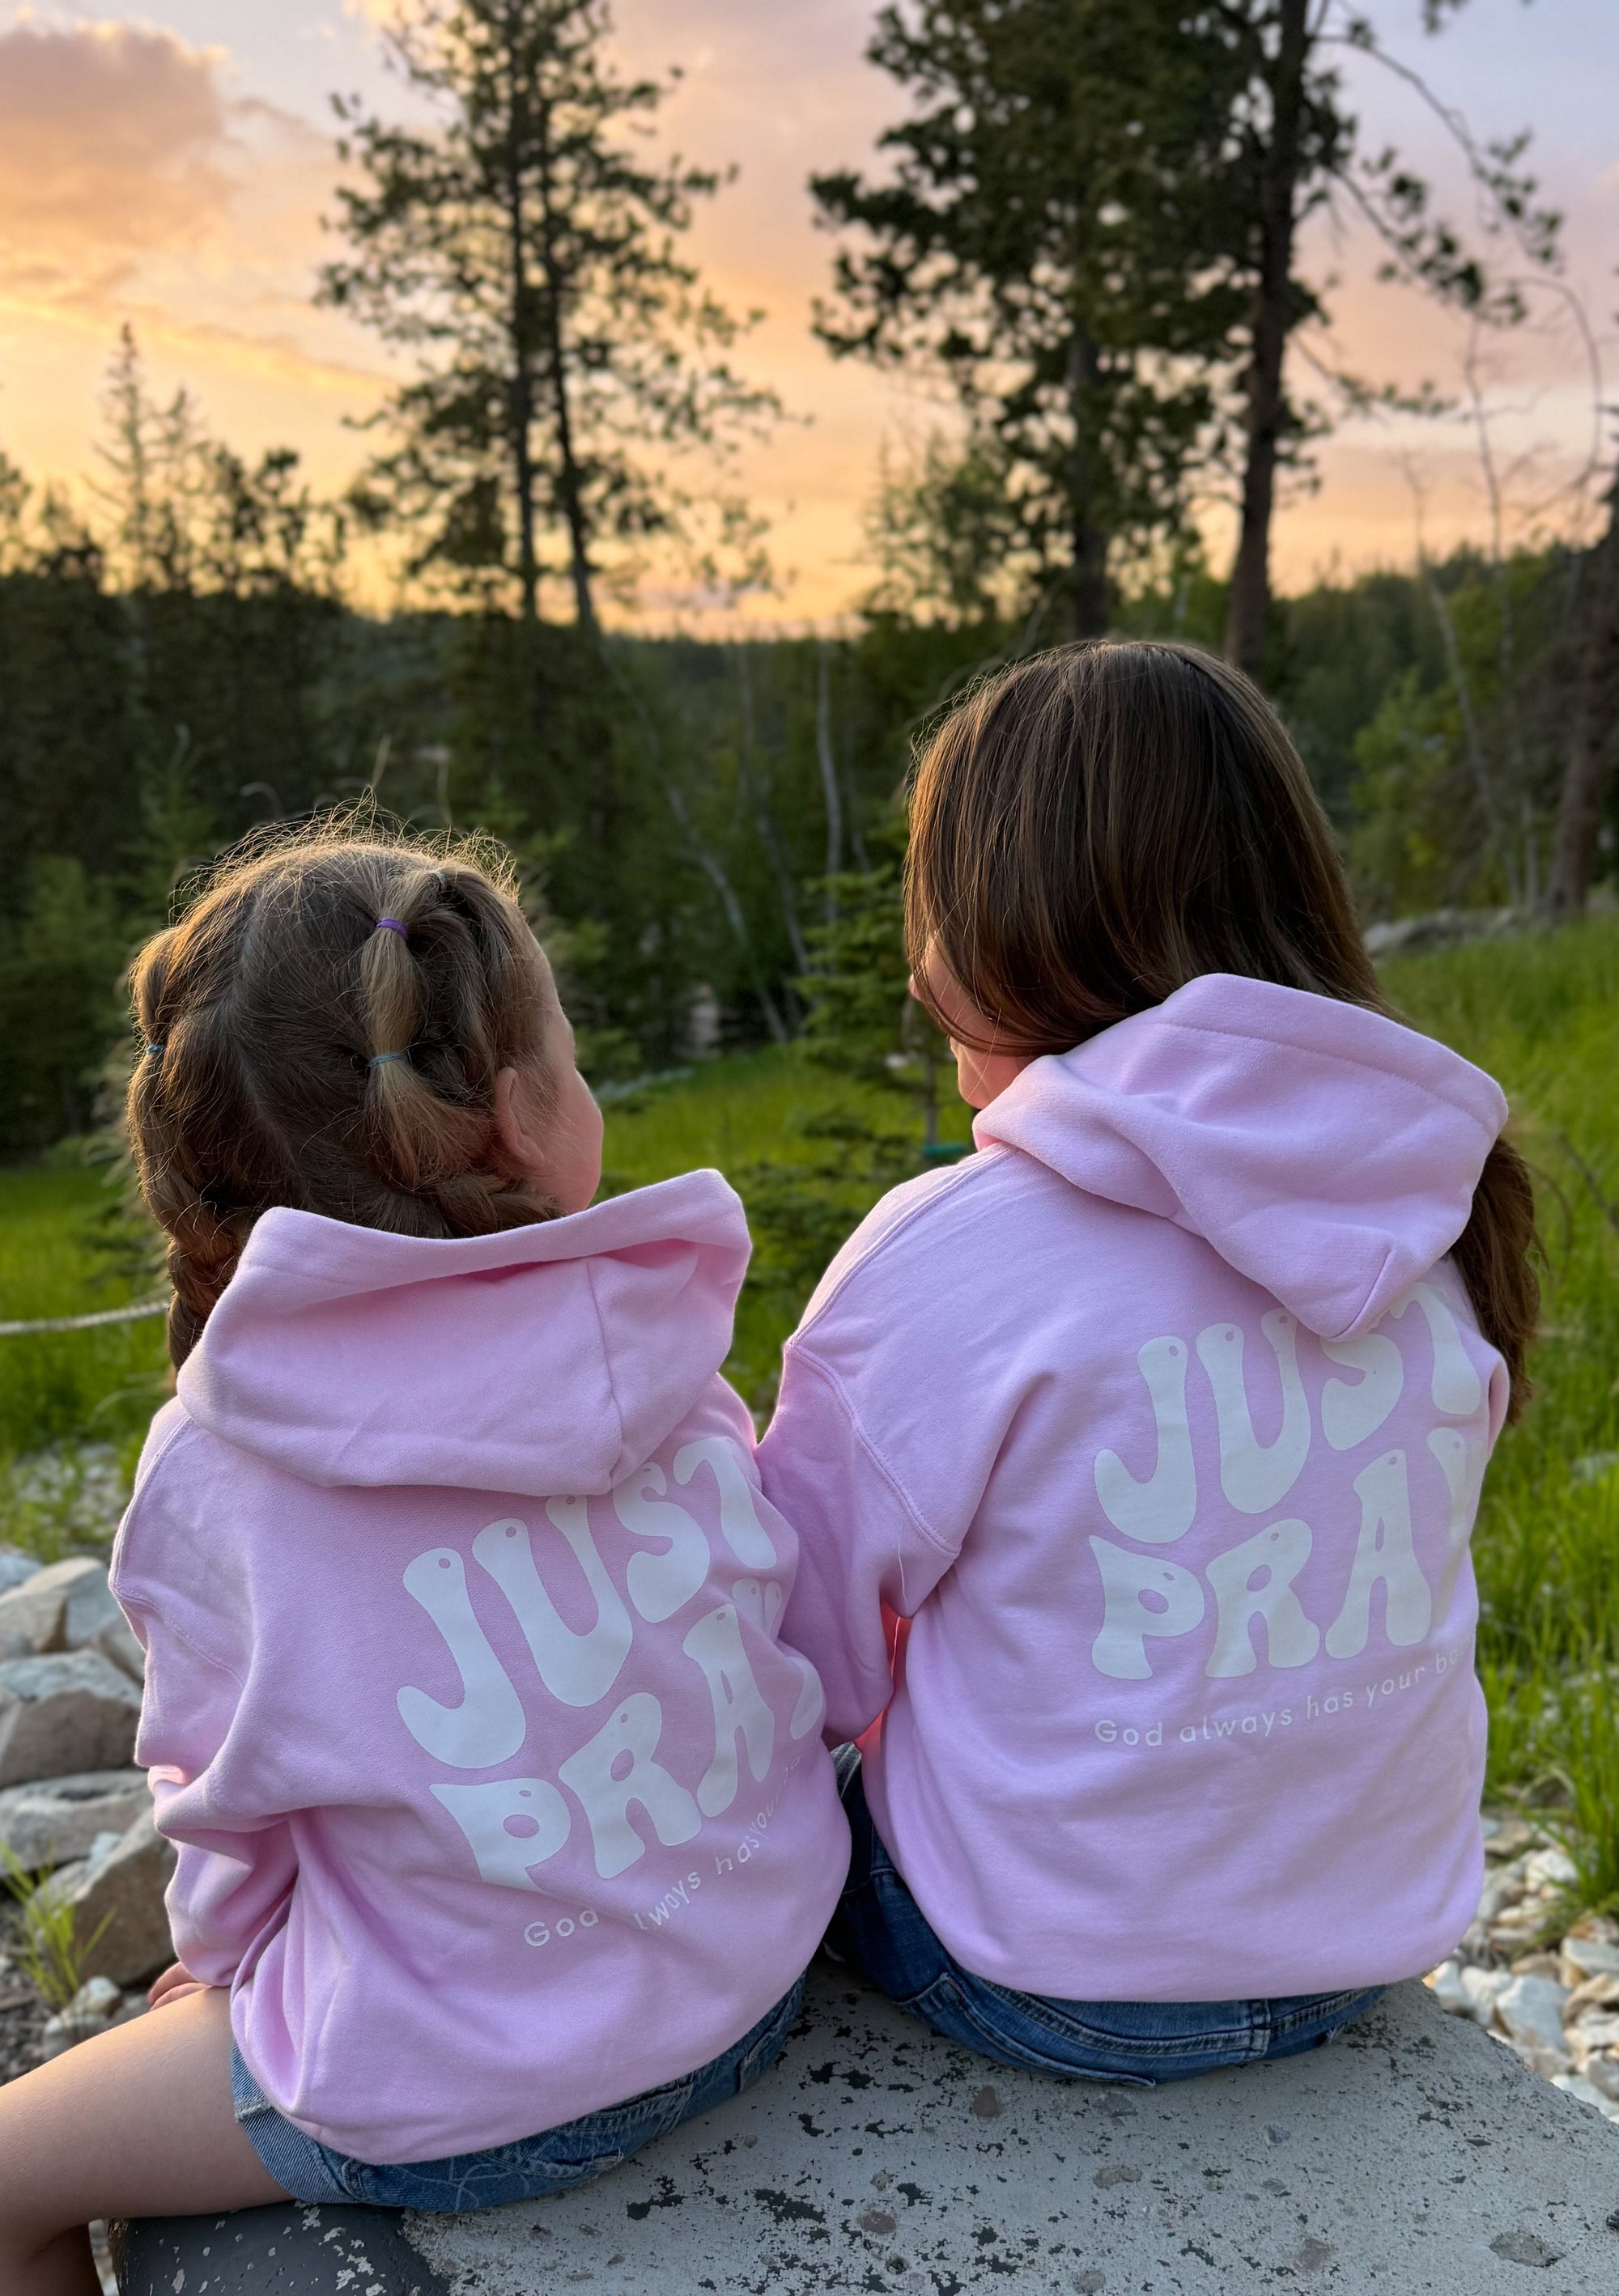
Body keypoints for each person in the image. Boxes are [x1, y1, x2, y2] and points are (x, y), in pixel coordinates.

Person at [0, 827, 845, 2295]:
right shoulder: (664, 1342)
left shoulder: (215, 1472)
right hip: (755, 1975)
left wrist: (221, 1979)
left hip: (463, 2098)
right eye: (573, 1060)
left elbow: (226, 1819)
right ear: (521, 1114)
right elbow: (772, 1647)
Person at [759, 639, 1537, 2088]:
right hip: (1368, 1946)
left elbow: (792, 1652)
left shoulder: (948, 1254)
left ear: (1006, 933)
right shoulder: (1428, 1192)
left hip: (1049, 1981)